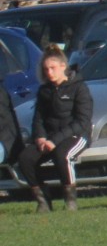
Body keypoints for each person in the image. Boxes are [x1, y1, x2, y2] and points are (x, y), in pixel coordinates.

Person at [18, 45, 94, 212]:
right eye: (46, 69)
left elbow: (82, 121)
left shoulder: (79, 88)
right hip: (50, 138)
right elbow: (38, 118)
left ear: (63, 66)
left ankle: (70, 200)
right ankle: (43, 199)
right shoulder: (44, 91)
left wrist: (54, 140)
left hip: (76, 136)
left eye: (52, 68)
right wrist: (40, 137)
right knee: (25, 158)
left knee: (62, 155)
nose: (49, 72)